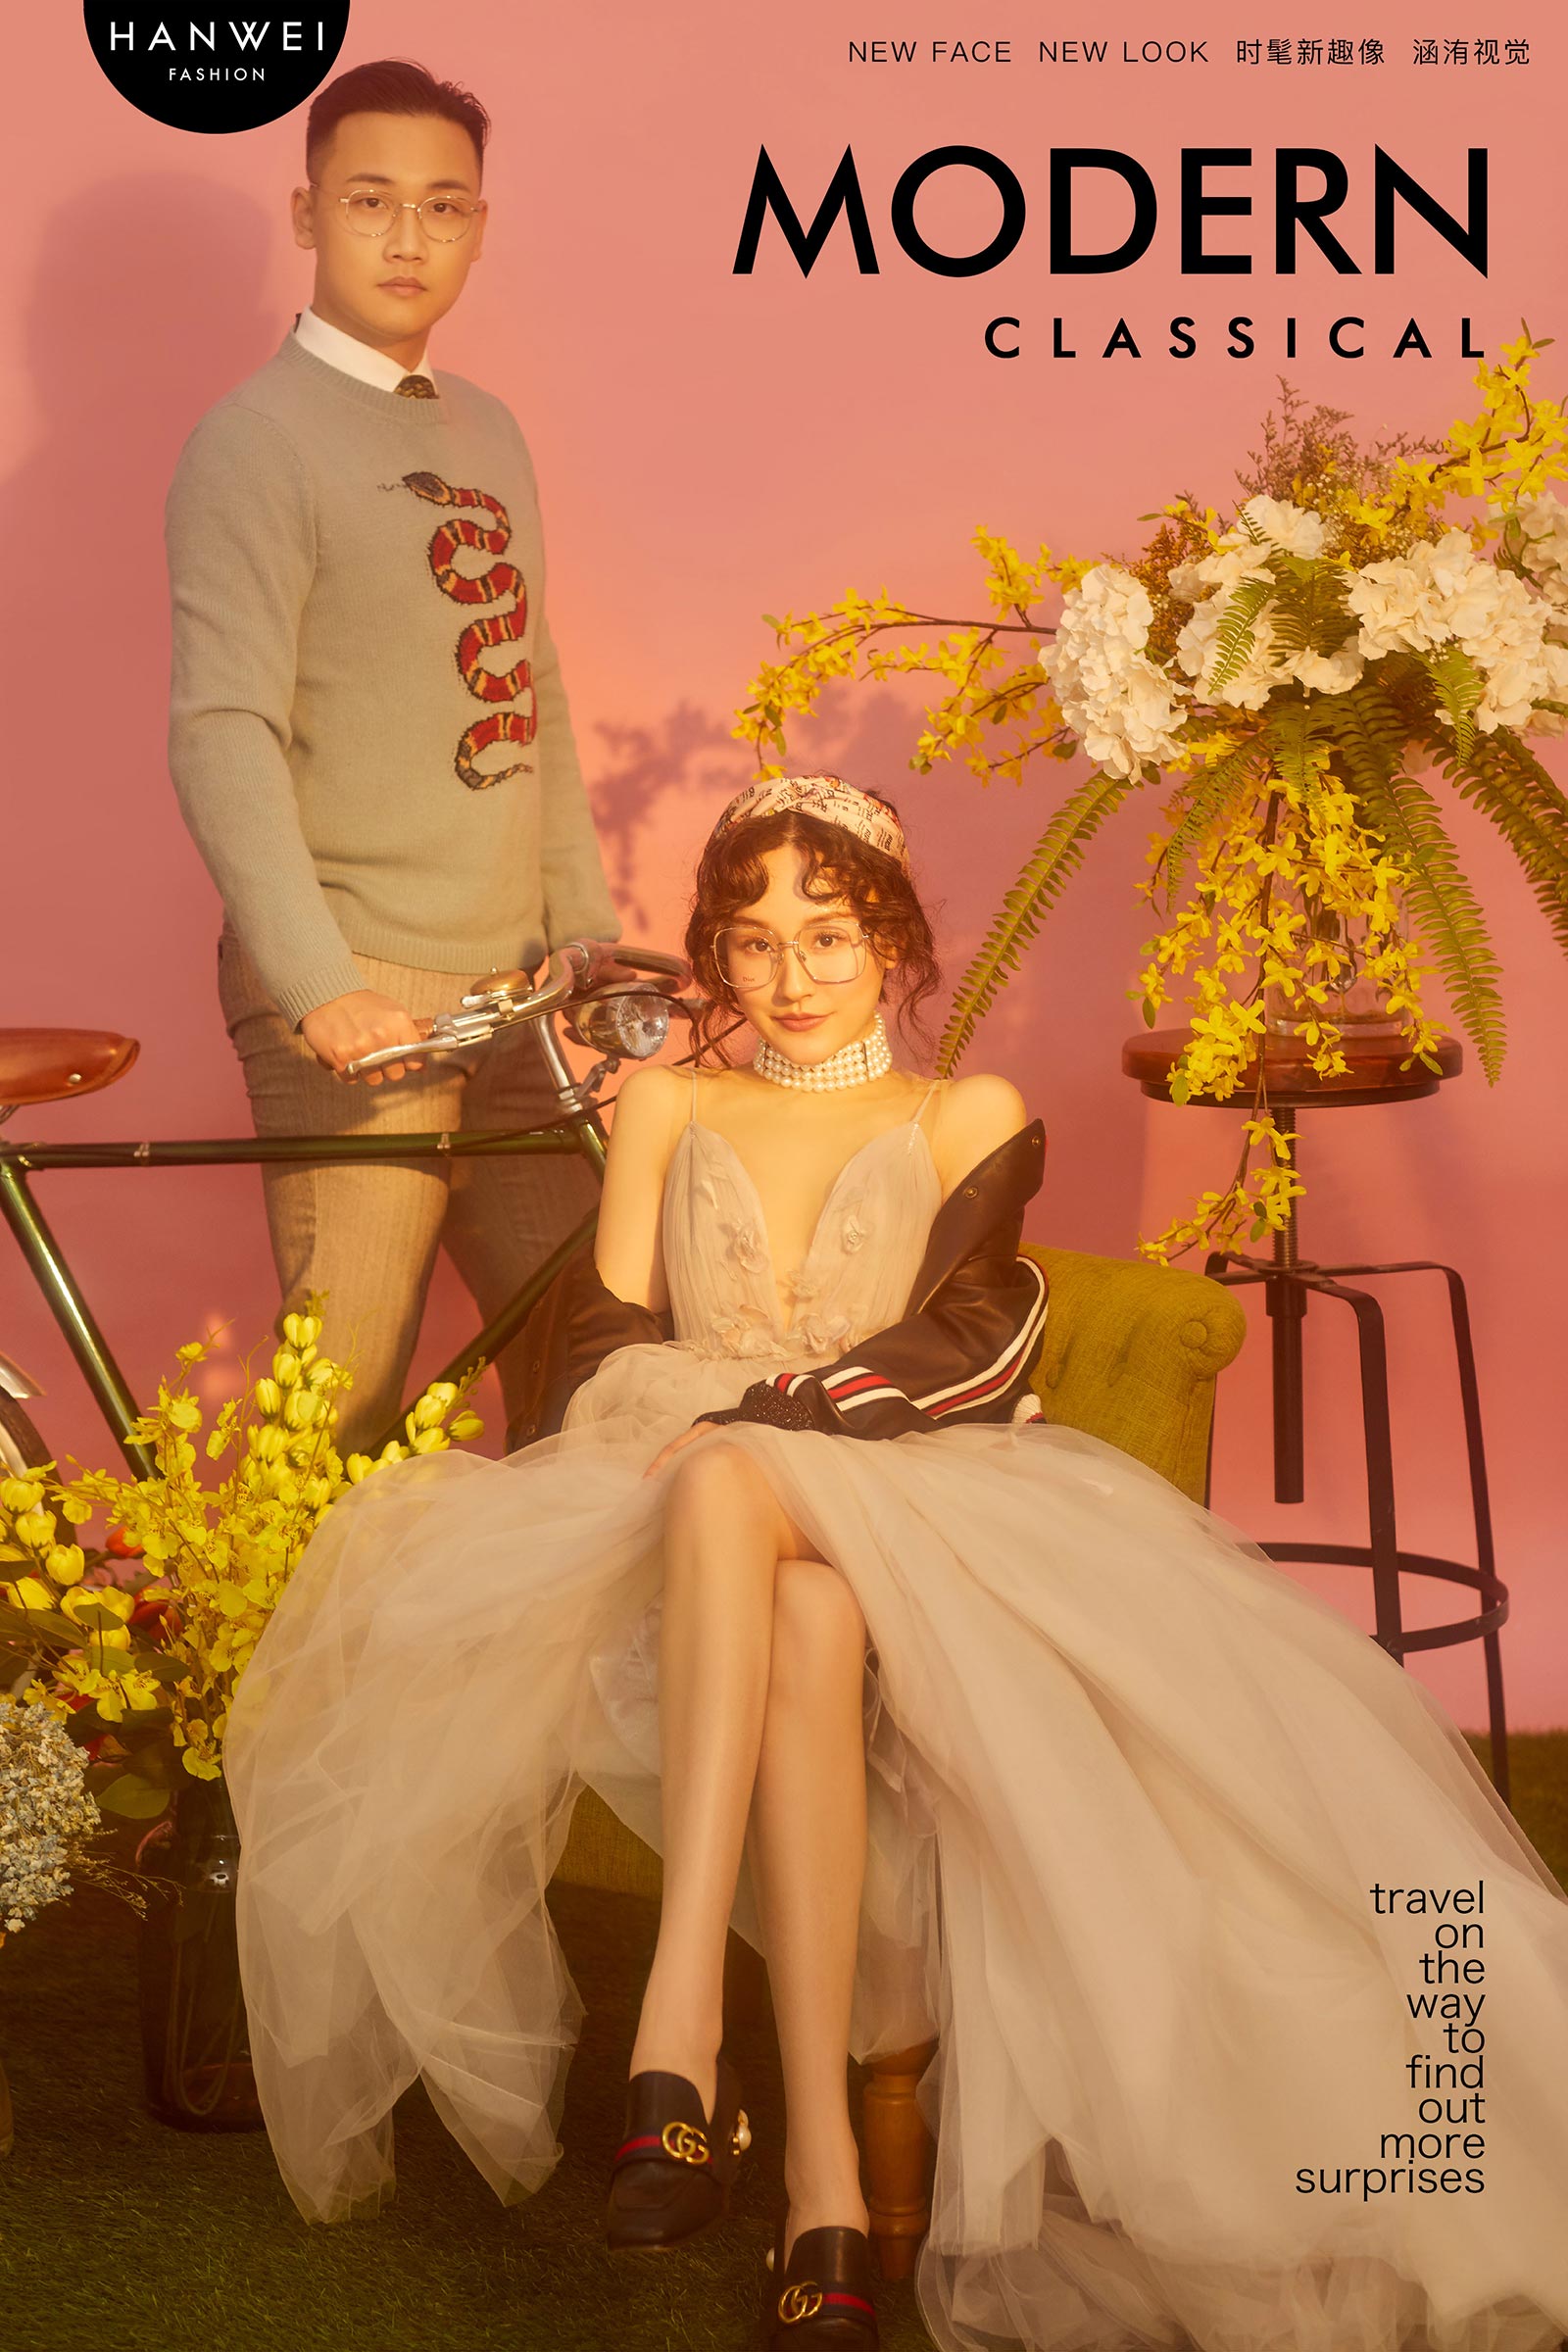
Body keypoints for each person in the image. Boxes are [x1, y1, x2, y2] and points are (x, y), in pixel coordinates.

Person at [223, 775, 1568, 2352]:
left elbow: (974, 1341)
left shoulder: (964, 1115)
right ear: (714, 958)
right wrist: (712, 1425)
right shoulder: (667, 1106)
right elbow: (602, 1340)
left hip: (905, 1487)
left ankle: (680, 2031)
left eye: (830, 936)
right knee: (786, 1584)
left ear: (896, 943)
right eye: (751, 942)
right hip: (687, 1511)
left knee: (744, 1485)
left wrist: (764, 1420)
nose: (791, 976)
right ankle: (825, 2191)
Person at [164, 58, 639, 1454]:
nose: (407, 236)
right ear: (307, 214)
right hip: (361, 976)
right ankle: (282, 1613)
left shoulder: (487, 428)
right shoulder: (253, 442)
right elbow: (221, 728)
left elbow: (529, 682)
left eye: (443, 205)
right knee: (347, 1398)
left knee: (597, 1367)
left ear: (480, 227)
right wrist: (320, 985)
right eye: (370, 200)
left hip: (512, 993)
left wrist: (581, 923)